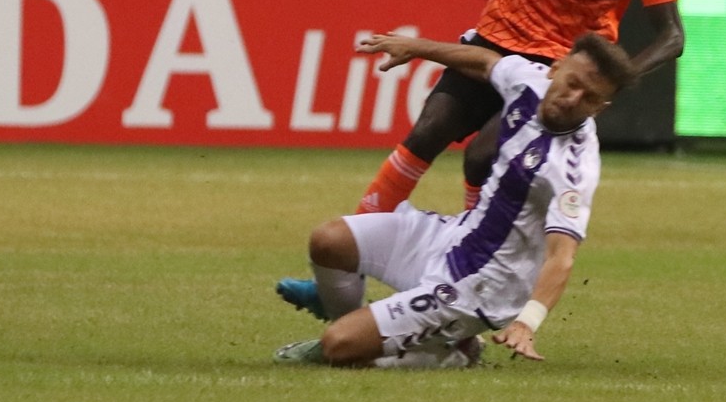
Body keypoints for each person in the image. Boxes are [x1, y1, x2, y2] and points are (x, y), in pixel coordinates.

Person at [276, 0, 683, 317]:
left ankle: (466, 280)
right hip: (496, 40)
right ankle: (350, 268)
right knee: (428, 130)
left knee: (480, 157)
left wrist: (607, 83)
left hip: (554, 69)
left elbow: (671, 36)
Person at [273, 30, 638, 369]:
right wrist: (415, 48)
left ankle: (451, 353)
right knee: (328, 241)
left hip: (483, 285)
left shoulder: (572, 167)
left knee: (337, 346)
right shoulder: (530, 81)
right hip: (453, 237)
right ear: (555, 69)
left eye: (589, 97)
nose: (573, 99)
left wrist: (527, 322)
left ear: (599, 108)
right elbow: (485, 61)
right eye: (572, 83)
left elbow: (562, 256)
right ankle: (374, 330)